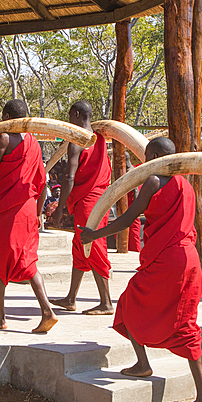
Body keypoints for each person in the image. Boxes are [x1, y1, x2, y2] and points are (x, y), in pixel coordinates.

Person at [80, 137, 202, 402]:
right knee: (185, 320)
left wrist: (93, 234)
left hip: (167, 260)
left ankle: (145, 365)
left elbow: (128, 220)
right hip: (187, 259)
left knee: (130, 302)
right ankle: (200, 393)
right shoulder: (186, 185)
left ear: (152, 156)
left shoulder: (153, 180)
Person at [0, 99, 57, 333]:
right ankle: (41, 310)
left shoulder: (4, 139)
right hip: (28, 207)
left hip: (8, 209)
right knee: (27, 259)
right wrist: (40, 211)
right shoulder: (33, 142)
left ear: (8, 116)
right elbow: (42, 181)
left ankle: (3, 316)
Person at [50, 101, 114, 315]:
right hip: (98, 199)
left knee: (93, 245)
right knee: (80, 247)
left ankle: (106, 302)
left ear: (76, 114)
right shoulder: (101, 138)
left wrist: (59, 210)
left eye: (70, 116)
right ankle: (70, 298)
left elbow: (68, 177)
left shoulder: (77, 141)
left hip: (89, 202)